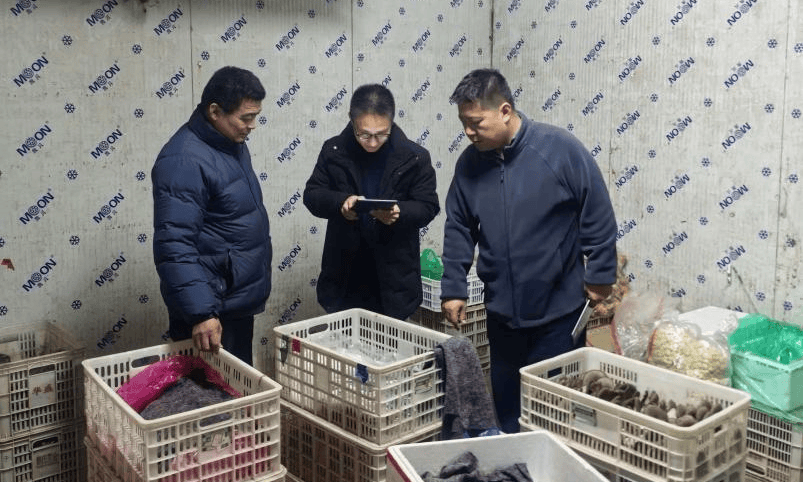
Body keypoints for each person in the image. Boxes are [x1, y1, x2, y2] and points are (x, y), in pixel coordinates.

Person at [440, 69, 618, 433]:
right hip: (501, 316)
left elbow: (597, 212)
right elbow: (459, 226)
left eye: (476, 122)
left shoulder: (559, 149)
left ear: (505, 111)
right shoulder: (469, 164)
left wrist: (601, 275)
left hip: (558, 315)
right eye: (463, 123)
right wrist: (453, 287)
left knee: (554, 413)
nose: (468, 132)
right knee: (508, 412)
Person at [152, 66, 272, 365]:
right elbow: (174, 244)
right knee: (209, 388)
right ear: (215, 111)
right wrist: (202, 312)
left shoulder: (230, 143)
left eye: (255, 117)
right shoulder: (183, 160)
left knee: (237, 384)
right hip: (211, 308)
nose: (252, 126)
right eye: (245, 118)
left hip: (234, 300)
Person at [303, 84, 439, 320]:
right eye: (364, 134)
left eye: (381, 134)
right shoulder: (333, 150)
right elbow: (312, 194)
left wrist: (399, 212)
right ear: (351, 119)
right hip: (344, 275)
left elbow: (428, 206)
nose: (373, 142)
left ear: (392, 121)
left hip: (394, 279)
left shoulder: (415, 156)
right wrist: (341, 203)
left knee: (391, 342)